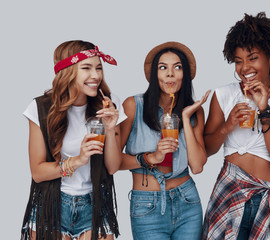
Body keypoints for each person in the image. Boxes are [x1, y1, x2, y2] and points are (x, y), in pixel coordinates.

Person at [201, 12, 270, 240]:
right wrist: (227, 126)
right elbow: (206, 150)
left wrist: (264, 109)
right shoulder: (223, 94)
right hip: (231, 190)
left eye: (252, 58)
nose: (244, 67)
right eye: (238, 61)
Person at [21, 40, 127, 240]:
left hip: (95, 205)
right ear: (67, 71)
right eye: (86, 68)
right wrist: (77, 160)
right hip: (51, 205)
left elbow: (113, 167)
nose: (96, 75)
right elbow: (37, 172)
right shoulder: (41, 108)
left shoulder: (109, 104)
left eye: (99, 68)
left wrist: (111, 127)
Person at [119, 41, 210, 239]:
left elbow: (197, 166)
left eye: (177, 67)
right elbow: (112, 161)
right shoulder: (134, 106)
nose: (170, 74)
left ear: (185, 74)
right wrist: (150, 158)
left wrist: (185, 118)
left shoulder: (195, 112)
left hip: (187, 201)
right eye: (163, 68)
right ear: (155, 74)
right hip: (147, 204)